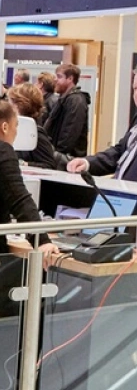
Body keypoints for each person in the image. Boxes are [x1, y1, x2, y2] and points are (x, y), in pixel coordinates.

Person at [0, 101, 61, 269]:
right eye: (16, 126)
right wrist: (42, 240)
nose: (16, 132)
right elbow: (19, 199)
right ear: (5, 127)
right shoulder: (3, 151)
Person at [44, 64, 90, 159]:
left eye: (59, 77)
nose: (55, 80)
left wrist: (58, 155)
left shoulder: (76, 101)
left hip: (67, 159)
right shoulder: (63, 99)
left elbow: (69, 133)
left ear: (70, 79)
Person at [7, 84, 59, 169]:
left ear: (17, 105)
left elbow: (49, 165)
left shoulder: (35, 133)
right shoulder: (17, 128)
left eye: (10, 101)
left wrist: (22, 164)